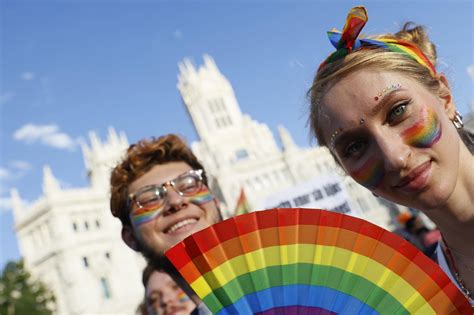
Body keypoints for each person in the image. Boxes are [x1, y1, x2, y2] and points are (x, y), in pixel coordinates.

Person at [308, 6, 474, 305]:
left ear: (445, 98)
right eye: (355, 147)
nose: (394, 157)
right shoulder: (419, 298)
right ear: (346, 170)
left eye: (398, 111)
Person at [110, 134, 222, 314]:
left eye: (188, 185)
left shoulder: (283, 281)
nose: (176, 201)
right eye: (149, 199)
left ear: (215, 203)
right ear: (131, 238)